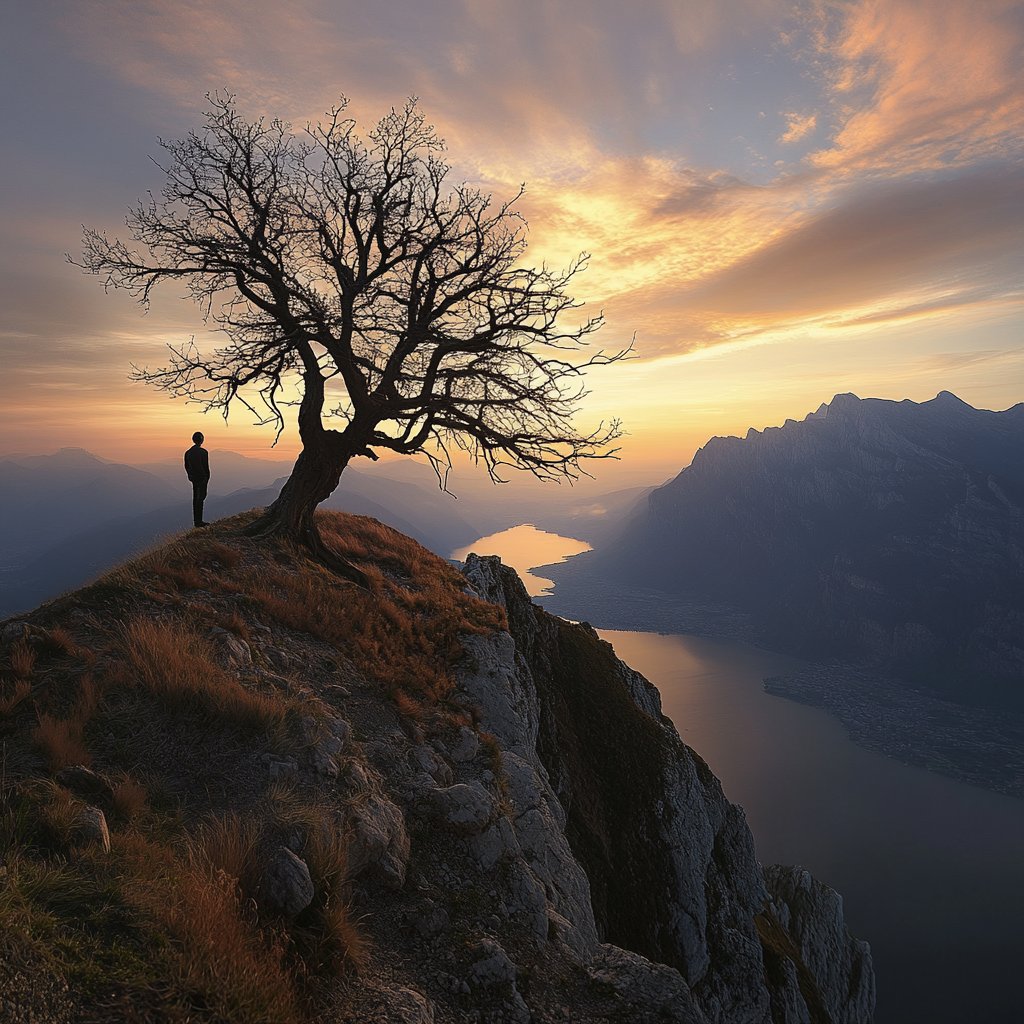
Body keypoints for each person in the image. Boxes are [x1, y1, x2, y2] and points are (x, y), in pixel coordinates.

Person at [184, 431, 211, 527]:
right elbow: (206, 467)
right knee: (201, 498)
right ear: (202, 440)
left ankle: (197, 521)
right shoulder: (203, 452)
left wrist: (190, 476)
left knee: (196, 499)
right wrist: (207, 478)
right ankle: (199, 521)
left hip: (194, 479)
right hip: (202, 478)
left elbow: (186, 466)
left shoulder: (188, 453)